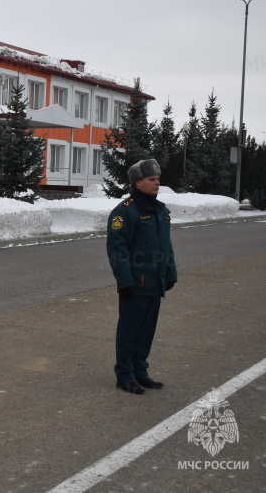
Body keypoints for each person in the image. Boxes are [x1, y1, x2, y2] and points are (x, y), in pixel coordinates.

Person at [106, 159, 177, 395]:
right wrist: (125, 282)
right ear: (138, 182)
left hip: (155, 282)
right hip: (136, 283)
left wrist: (170, 272)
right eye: (151, 179)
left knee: (147, 330)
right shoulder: (125, 211)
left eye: (158, 179)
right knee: (129, 330)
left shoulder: (160, 211)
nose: (157, 183)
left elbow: (166, 246)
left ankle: (140, 371)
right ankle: (124, 375)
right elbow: (117, 250)